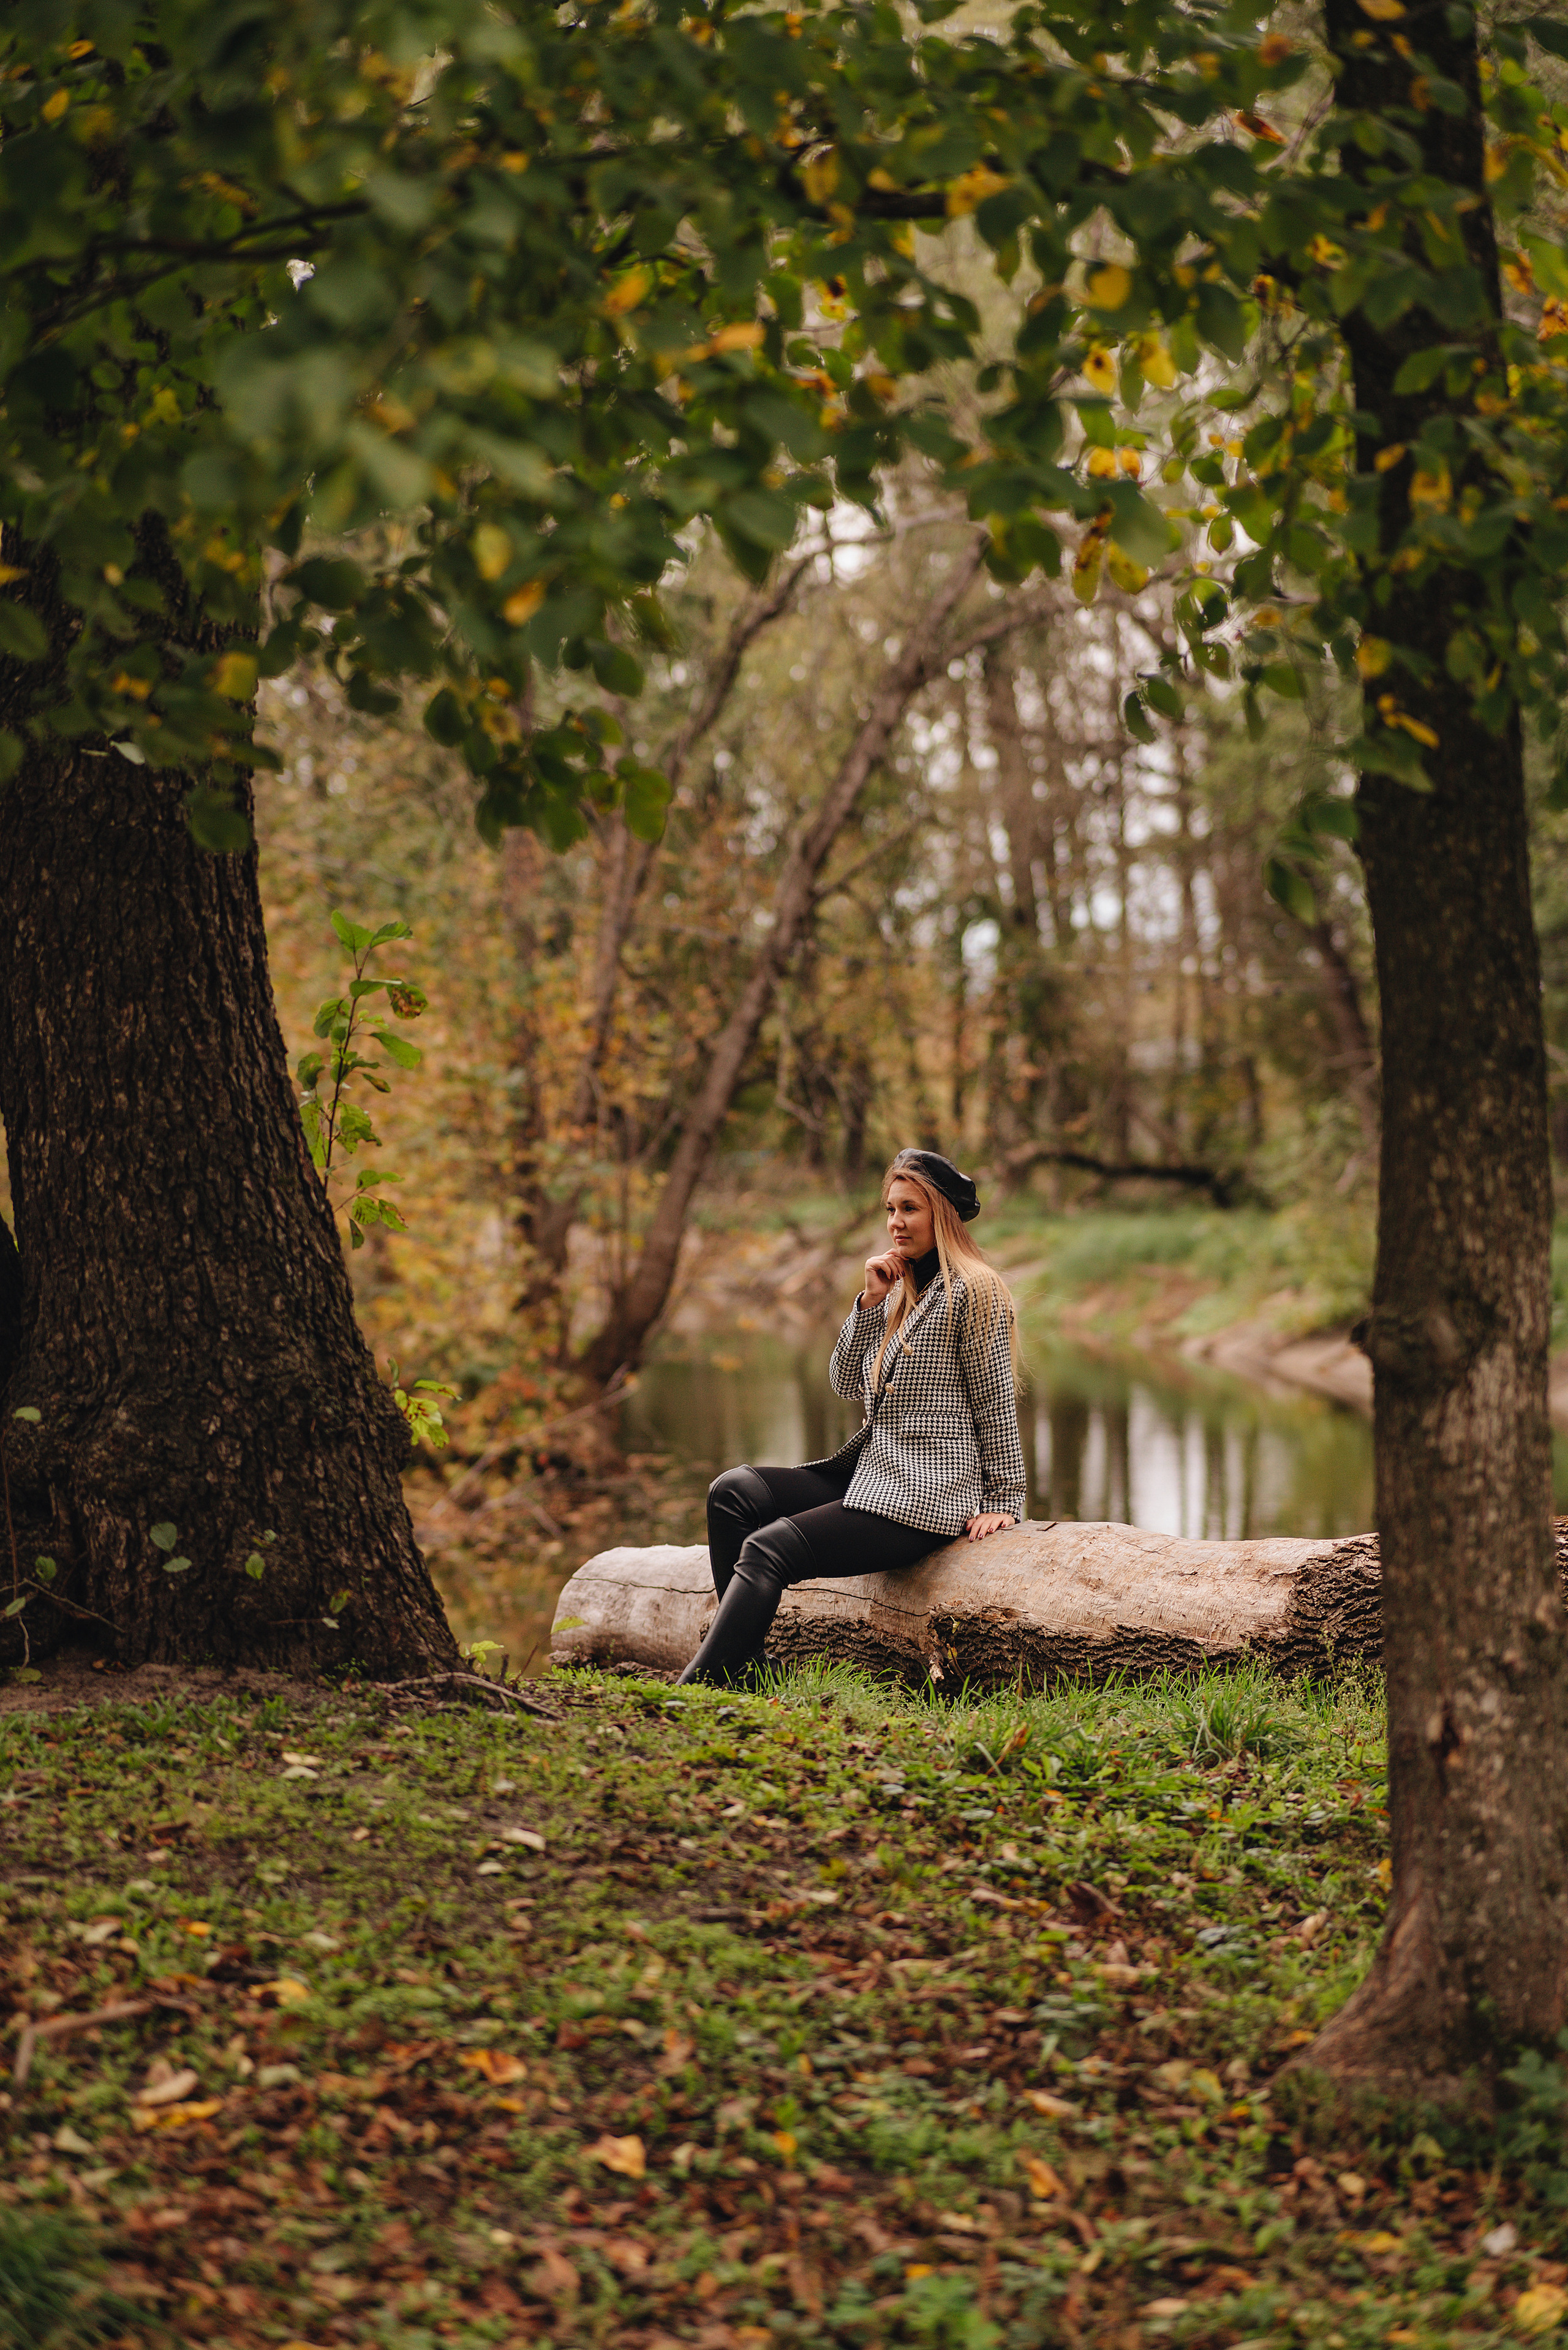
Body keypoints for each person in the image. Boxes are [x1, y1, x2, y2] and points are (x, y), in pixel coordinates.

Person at [676, 1147, 1027, 1688]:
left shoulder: (974, 1289)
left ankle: (699, 1686)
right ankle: (745, 1663)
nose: (895, 1222)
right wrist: (868, 1303)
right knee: (733, 1493)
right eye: (890, 1209)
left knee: (768, 1548)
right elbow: (843, 1383)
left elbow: (995, 1399)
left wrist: (1005, 1499)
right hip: (875, 1472)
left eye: (910, 1208)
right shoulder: (901, 1290)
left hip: (927, 1493)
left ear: (941, 1214)